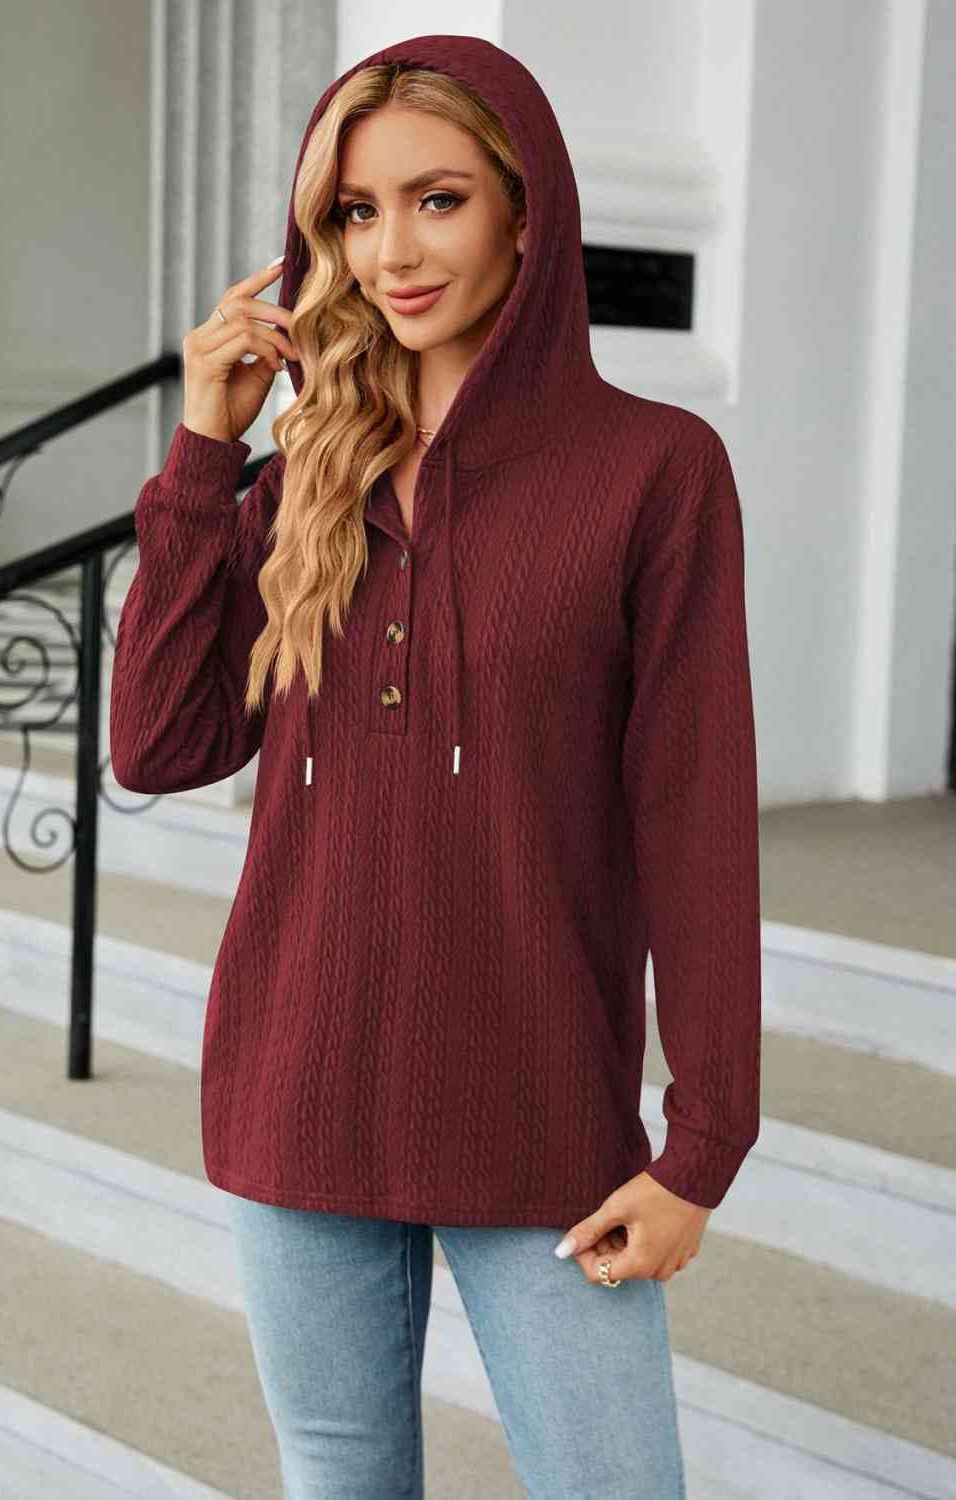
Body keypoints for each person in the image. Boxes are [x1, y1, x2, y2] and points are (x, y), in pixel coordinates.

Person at [110, 32, 761, 1500]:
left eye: (438, 199)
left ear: (529, 213)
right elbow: (158, 743)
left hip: (541, 1107)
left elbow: (697, 820)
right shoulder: (305, 477)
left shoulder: (654, 471)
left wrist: (704, 1143)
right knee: (339, 1475)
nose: (391, 251)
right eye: (355, 211)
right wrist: (205, 454)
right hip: (296, 1082)